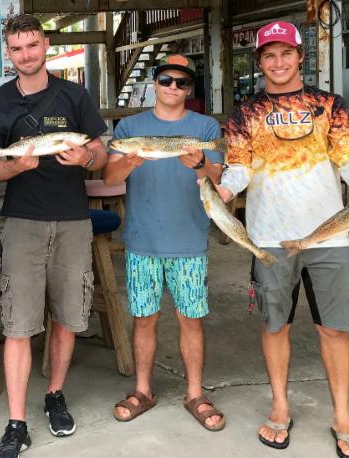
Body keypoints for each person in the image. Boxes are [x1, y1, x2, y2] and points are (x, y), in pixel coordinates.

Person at [216, 21, 349, 457]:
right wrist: (224, 192)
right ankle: (280, 406)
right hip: (269, 237)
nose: (278, 62)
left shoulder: (329, 105)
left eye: (286, 52)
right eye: (269, 55)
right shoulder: (246, 113)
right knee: (275, 326)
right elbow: (239, 166)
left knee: (334, 328)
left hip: (329, 235)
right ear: (259, 61)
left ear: (300, 56)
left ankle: (342, 415)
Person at [0, 14, 108, 458]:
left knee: (67, 316)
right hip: (23, 222)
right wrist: (15, 166)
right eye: (17, 48)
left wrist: (86, 158)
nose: (26, 55)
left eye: (32, 45)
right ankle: (16, 423)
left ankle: (54, 394)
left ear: (45, 44)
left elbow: (100, 151)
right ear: (8, 53)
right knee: (18, 324)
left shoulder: (75, 95)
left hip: (72, 219)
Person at [103, 55, 226, 431]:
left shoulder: (205, 127)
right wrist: (129, 163)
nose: (173, 87)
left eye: (182, 82)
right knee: (144, 319)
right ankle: (142, 390)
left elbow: (218, 178)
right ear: (154, 83)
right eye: (167, 80)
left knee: (191, 319)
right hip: (142, 240)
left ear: (190, 89)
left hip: (189, 238)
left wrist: (200, 164)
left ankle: (195, 393)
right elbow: (110, 178)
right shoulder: (130, 127)